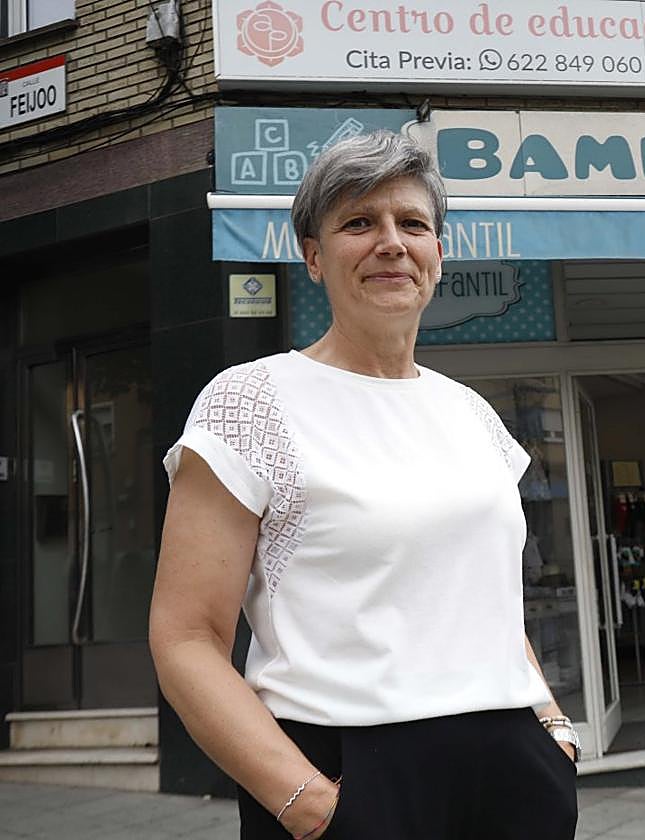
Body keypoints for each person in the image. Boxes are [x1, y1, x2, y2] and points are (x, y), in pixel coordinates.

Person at [149, 131, 578, 840]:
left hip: (515, 768)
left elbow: (486, 602)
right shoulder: (250, 401)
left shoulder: (471, 413)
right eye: (358, 223)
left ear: (438, 251)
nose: (390, 242)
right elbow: (185, 638)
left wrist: (553, 730)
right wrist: (309, 805)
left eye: (412, 223)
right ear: (313, 256)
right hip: (349, 773)